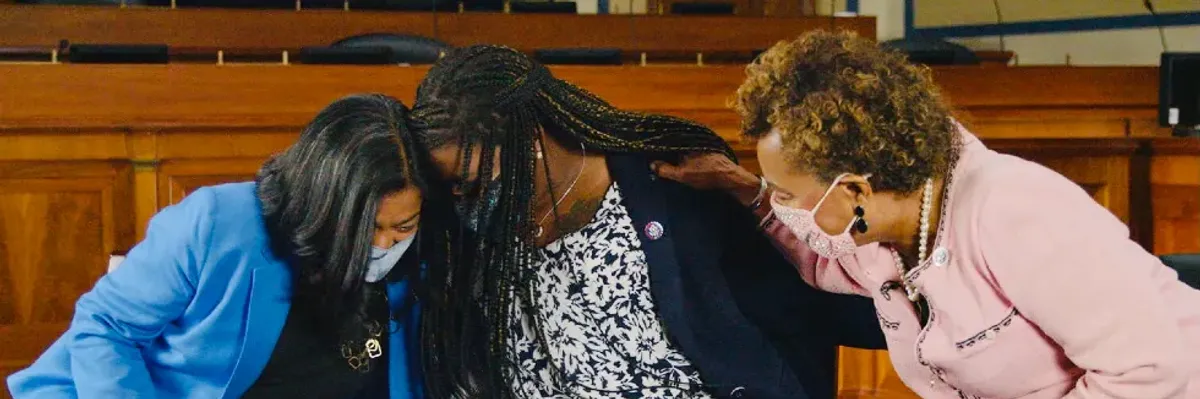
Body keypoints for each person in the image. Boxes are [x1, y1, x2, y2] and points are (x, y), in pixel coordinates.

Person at [654, 30, 1200, 398]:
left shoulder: (1016, 210)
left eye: (786, 192)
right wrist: (746, 192)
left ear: (854, 189)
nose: (780, 205)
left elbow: (1152, 373)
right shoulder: (886, 228)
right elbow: (822, 261)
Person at [407, 44, 885, 399]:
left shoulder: (671, 180)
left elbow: (800, 309)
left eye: (473, 179)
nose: (460, 197)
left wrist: (755, 196)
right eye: (448, 185)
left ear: (527, 137)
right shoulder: (466, 227)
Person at [7, 94, 438, 399]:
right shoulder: (218, 225)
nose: (382, 245)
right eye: (364, 228)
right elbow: (106, 327)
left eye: (402, 227)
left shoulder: (416, 265)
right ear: (323, 204)